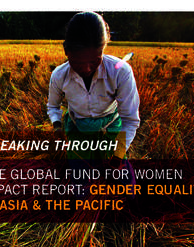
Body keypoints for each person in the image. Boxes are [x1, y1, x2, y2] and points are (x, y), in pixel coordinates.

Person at [47, 12, 140, 168]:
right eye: (77, 62)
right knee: (80, 179)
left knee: (123, 182)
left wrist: (118, 156)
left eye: (95, 60)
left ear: (103, 49)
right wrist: (57, 126)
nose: (87, 68)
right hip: (78, 127)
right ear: (66, 51)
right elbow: (53, 106)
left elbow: (129, 120)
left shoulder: (120, 72)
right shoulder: (59, 75)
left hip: (110, 126)